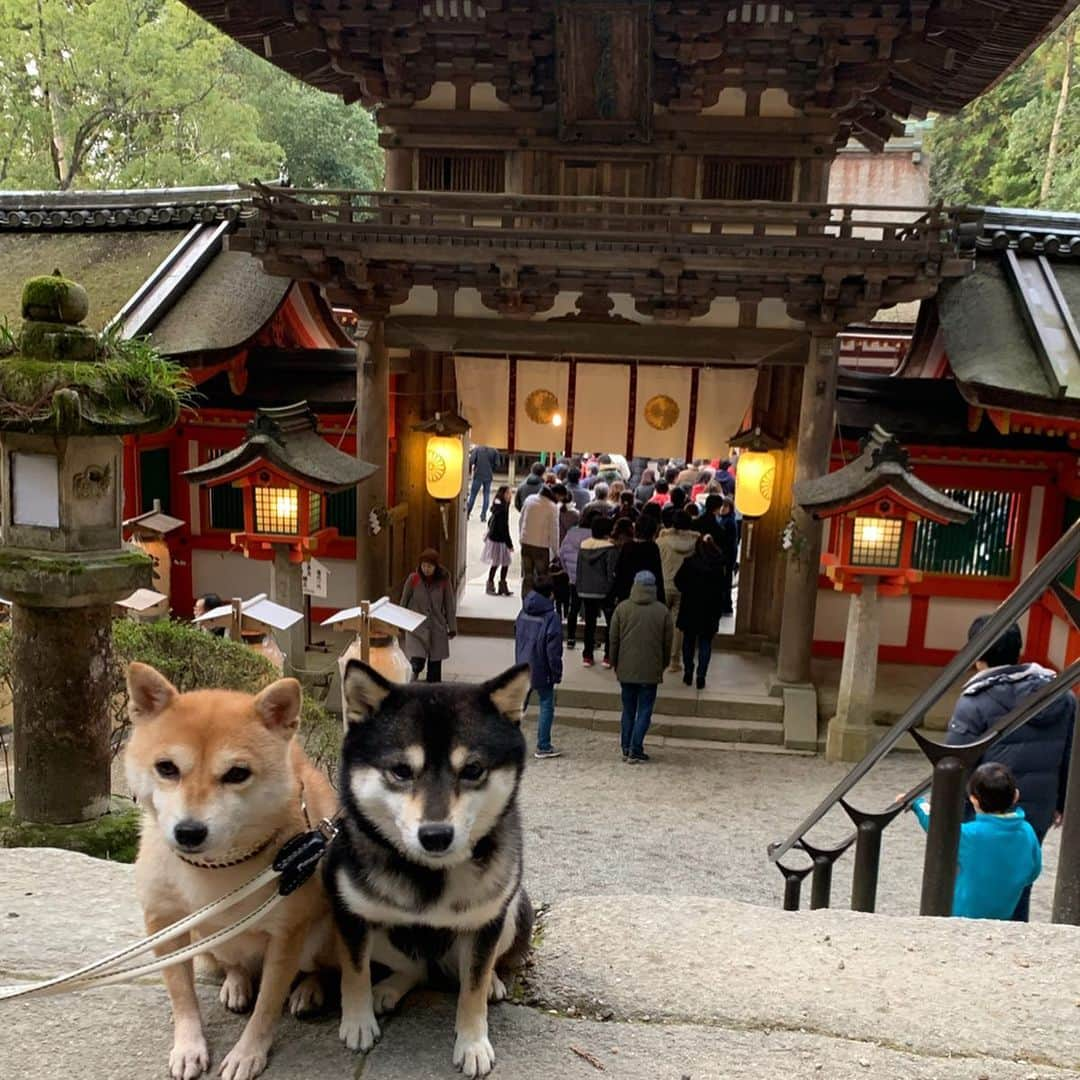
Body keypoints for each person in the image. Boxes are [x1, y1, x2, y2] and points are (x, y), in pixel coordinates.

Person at [945, 617, 1075, 921]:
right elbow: (1070, 753)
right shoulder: (1062, 696)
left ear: (977, 655)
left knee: (975, 875)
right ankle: (1015, 932)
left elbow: (954, 764)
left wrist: (948, 803)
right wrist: (1061, 803)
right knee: (1019, 876)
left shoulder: (974, 702)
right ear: (1019, 650)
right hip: (1037, 808)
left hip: (983, 806)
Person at [909, 762, 1041, 920]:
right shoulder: (1027, 830)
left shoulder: (969, 834)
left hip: (962, 914)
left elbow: (937, 824)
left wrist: (917, 802)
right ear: (1016, 796)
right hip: (1004, 914)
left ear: (974, 800)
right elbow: (1034, 871)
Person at [608, 570, 674, 763]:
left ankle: (626, 746)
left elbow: (613, 639)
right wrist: (663, 664)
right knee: (645, 710)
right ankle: (636, 748)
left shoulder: (622, 608)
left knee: (628, 709)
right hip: (650, 669)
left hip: (626, 669)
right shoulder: (662, 611)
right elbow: (667, 643)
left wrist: (614, 661)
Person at [515, 575, 564, 759]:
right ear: (551, 595)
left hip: (522, 665)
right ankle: (543, 745)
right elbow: (553, 650)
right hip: (542, 668)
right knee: (546, 704)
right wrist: (556, 672)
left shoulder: (523, 611)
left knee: (518, 706)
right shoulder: (551, 618)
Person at [674, 535, 728, 688]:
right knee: (705, 643)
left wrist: (688, 591)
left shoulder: (689, 563)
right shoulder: (718, 565)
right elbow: (723, 588)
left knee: (688, 641)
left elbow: (678, 582)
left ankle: (688, 672)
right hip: (710, 609)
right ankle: (701, 676)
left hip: (690, 606)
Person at [401, 549, 456, 682]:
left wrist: (452, 627)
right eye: (423, 565)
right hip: (416, 627)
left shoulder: (444, 581)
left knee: (435, 667)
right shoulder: (413, 579)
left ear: (436, 567)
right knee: (417, 660)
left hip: (437, 626)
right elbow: (404, 601)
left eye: (429, 566)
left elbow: (449, 604)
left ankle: (433, 694)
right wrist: (401, 622)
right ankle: (413, 682)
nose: (426, 569)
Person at [657, 510, 699, 672]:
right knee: (678, 626)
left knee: (660, 623)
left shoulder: (661, 541)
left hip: (664, 585)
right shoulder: (695, 542)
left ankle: (658, 656)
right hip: (684, 588)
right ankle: (674, 661)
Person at [576, 515, 618, 668]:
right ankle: (608, 656)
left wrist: (579, 588)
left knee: (590, 624)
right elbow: (611, 572)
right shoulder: (610, 548)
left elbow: (579, 569)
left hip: (586, 590)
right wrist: (610, 590)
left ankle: (587, 655)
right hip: (604, 591)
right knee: (610, 624)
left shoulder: (583, 546)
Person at [612, 514, 666, 607]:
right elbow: (658, 573)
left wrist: (617, 594)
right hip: (649, 594)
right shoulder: (653, 548)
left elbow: (619, 571)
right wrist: (661, 599)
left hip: (627, 594)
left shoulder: (627, 547)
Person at [559, 508, 592, 650]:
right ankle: (589, 640)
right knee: (590, 610)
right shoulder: (594, 536)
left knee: (574, 607)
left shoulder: (571, 533)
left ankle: (570, 638)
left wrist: (567, 571)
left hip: (573, 577)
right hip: (590, 578)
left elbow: (562, 553)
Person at [519, 484, 560, 598]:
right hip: (541, 547)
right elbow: (554, 532)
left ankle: (526, 602)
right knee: (542, 579)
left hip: (526, 543)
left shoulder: (529, 500)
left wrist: (521, 538)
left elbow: (521, 520)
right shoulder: (552, 507)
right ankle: (540, 603)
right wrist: (556, 552)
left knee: (527, 576)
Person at [482, 485, 514, 596]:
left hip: (496, 537)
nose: (511, 495)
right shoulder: (502, 508)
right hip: (498, 539)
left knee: (503, 562)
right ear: (504, 494)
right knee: (499, 562)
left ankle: (500, 584)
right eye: (509, 493)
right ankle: (493, 584)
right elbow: (504, 527)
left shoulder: (500, 505)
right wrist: (509, 543)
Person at [466, 444, 500, 522]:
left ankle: (468, 512)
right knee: (486, 495)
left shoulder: (477, 449)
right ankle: (483, 515)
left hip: (478, 474)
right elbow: (497, 464)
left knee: (473, 495)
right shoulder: (494, 450)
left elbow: (471, 460)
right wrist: (491, 469)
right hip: (488, 475)